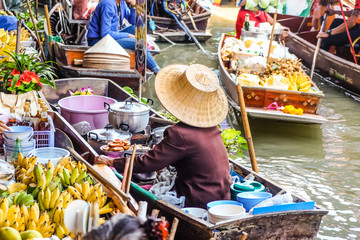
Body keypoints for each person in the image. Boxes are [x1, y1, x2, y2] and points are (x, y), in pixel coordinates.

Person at [95, 64, 232, 209]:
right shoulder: (212, 128)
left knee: (139, 192)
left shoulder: (180, 133)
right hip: (223, 196)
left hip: (198, 201)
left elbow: (147, 163)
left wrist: (112, 162)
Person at [87, 0, 161, 74]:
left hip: (110, 38)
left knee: (136, 28)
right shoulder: (108, 4)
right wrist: (128, 36)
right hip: (98, 41)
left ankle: (144, 60)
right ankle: (157, 70)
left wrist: (133, 6)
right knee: (137, 42)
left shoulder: (121, 3)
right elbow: (105, 34)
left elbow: (133, 21)